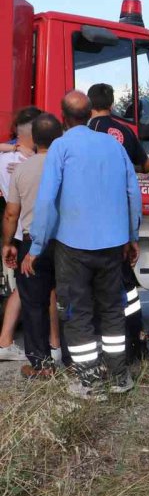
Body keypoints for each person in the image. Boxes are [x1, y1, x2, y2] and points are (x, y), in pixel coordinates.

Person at [26, 91, 141, 398]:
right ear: (91, 113)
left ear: (63, 117)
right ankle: (119, 377)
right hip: (112, 246)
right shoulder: (113, 146)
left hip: (73, 247)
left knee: (77, 314)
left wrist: (37, 248)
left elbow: (47, 200)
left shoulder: (61, 147)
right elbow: (132, 193)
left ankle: (89, 382)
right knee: (112, 310)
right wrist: (131, 237)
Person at [87, 83, 149, 362]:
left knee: (92, 286)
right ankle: (136, 343)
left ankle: (101, 348)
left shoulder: (85, 131)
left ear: (90, 104)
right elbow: (147, 166)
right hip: (121, 218)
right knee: (126, 286)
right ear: (112, 104)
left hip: (91, 220)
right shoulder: (126, 131)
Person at [3, 114, 63, 377]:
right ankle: (74, 360)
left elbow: (11, 214)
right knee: (75, 300)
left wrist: (8, 244)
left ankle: (41, 366)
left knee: (34, 304)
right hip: (68, 243)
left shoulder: (22, 170)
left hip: (32, 243)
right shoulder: (66, 165)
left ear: (33, 139)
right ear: (59, 136)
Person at [0, 106, 40, 362]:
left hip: (18, 229)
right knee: (38, 286)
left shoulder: (10, 158)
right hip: (31, 229)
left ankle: (5, 340)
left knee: (26, 286)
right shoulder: (26, 162)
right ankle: (53, 346)